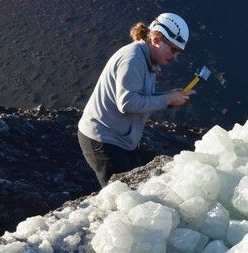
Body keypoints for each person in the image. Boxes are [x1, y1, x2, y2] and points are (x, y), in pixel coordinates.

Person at [78, 12, 192, 187]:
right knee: (122, 196)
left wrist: (168, 96)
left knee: (135, 190)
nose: (175, 57)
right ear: (156, 39)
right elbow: (128, 102)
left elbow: (140, 97)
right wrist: (167, 99)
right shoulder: (133, 59)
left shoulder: (147, 60)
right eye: (173, 49)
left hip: (120, 140)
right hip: (102, 138)